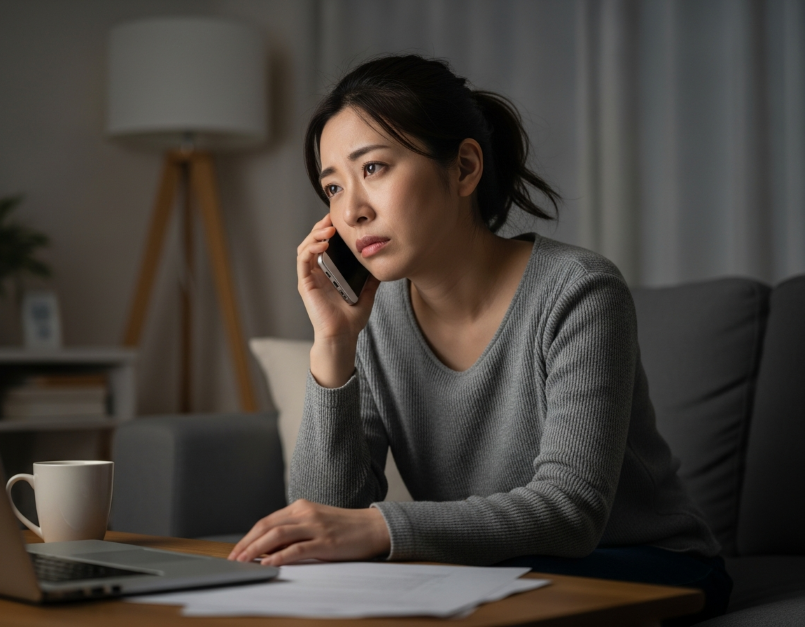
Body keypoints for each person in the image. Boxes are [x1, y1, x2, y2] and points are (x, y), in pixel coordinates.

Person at [227, 55, 731, 623]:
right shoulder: (373, 315)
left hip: (646, 562)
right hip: (494, 564)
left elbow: (571, 511)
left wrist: (380, 527)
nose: (352, 210)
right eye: (333, 187)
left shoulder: (579, 290)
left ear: (464, 168)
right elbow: (327, 514)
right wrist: (334, 343)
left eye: (373, 170)